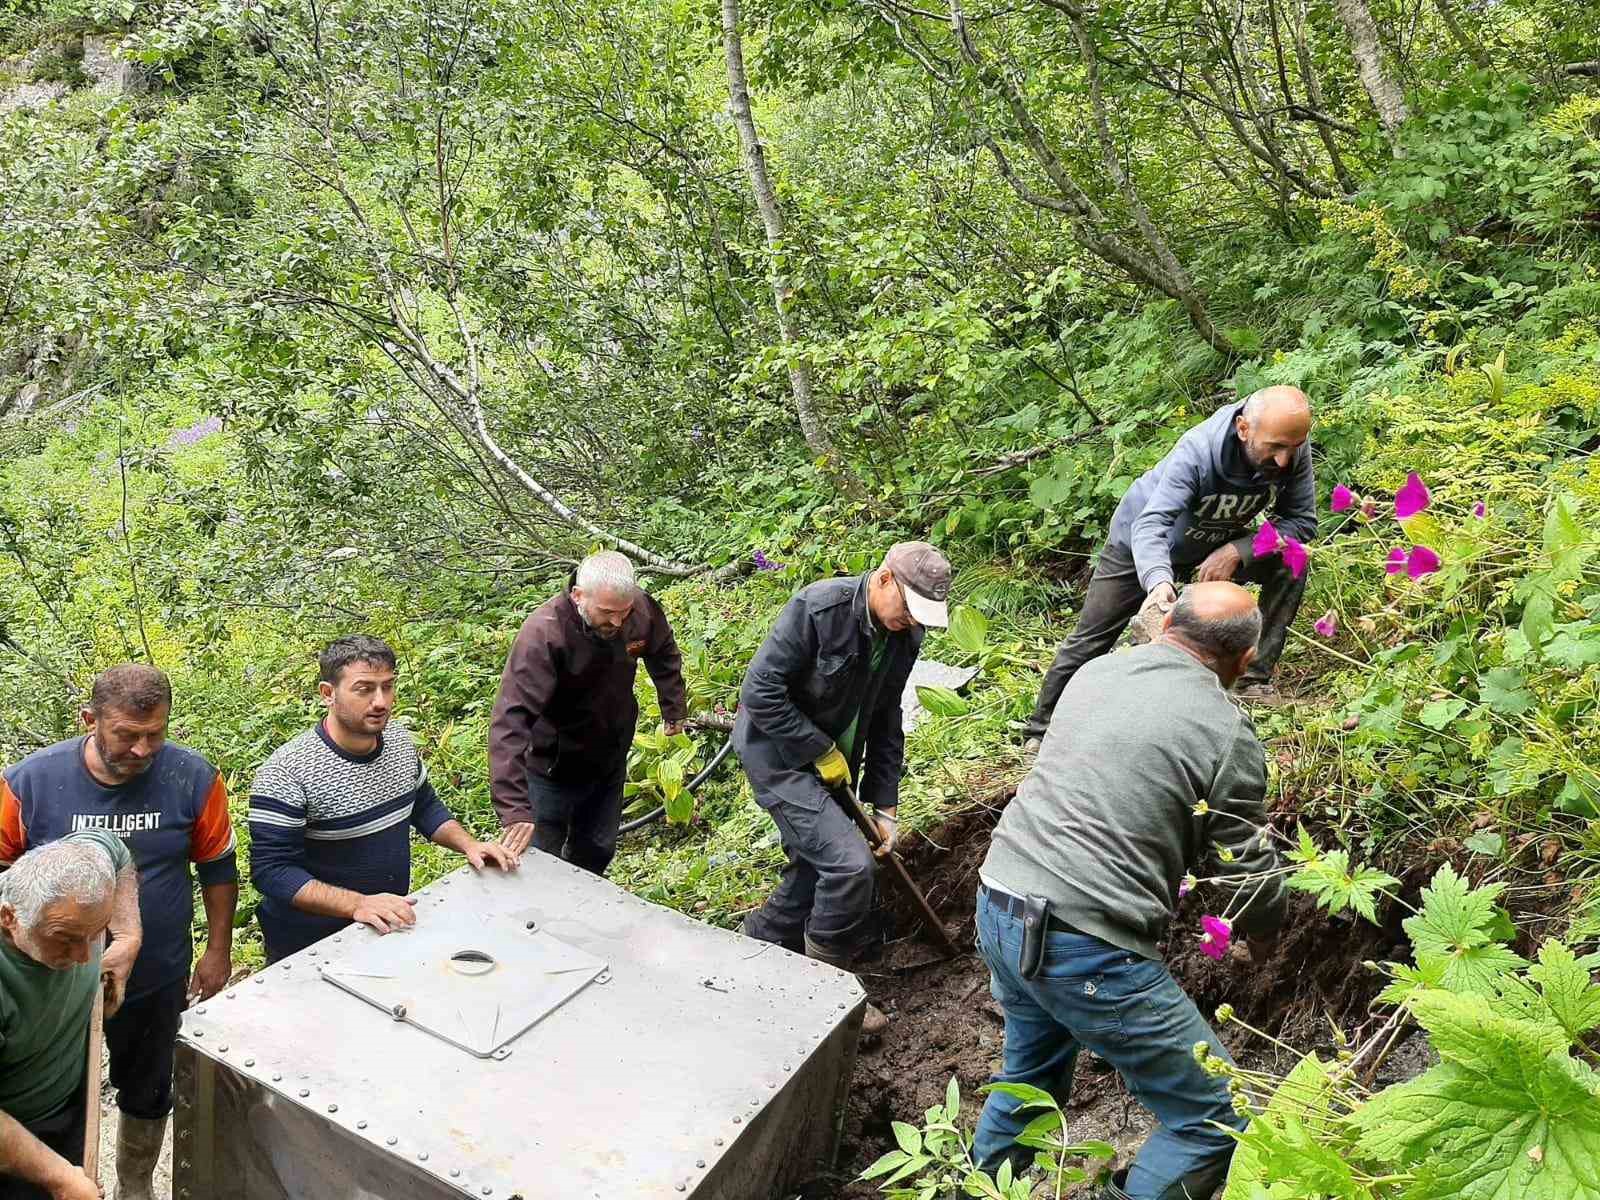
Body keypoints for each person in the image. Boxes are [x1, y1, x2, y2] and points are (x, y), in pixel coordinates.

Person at [973, 582, 1286, 1200]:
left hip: (999, 899)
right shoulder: (1227, 735)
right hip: (1084, 940)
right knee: (1215, 1117)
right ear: (1245, 660)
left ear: (1167, 620)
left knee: (1030, 1083)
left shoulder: (1095, 673)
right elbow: (1245, 870)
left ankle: (975, 1191)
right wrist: (1267, 939)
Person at [0, 664, 237, 1200]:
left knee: (149, 1086)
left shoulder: (193, 777)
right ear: (90, 720)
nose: (142, 749)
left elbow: (218, 867)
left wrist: (216, 951)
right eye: (126, 735)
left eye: (155, 734)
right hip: (50, 985)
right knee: (51, 1087)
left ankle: (135, 1185)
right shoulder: (29, 782)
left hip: (156, 969)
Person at [734, 541, 952, 1032]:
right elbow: (759, 692)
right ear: (882, 581)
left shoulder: (903, 637)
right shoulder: (819, 609)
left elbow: (886, 719)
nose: (913, 622)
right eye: (909, 608)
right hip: (778, 754)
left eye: (922, 616)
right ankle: (824, 993)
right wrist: (817, 748)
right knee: (850, 865)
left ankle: (756, 945)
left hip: (833, 759)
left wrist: (886, 807)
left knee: (816, 866)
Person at [1024, 386, 1314, 747]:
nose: (1285, 460)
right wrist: (1158, 582)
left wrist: (1239, 550)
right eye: (1275, 447)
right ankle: (1041, 731)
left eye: (1294, 447)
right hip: (1142, 544)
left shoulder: (1291, 446)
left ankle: (1252, 680)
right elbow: (1151, 524)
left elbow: (1301, 522)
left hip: (1214, 543)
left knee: (1292, 560)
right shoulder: (1198, 452)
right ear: (1243, 429)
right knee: (1093, 637)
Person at [248, 635, 518, 962]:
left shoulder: (398, 740)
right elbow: (273, 871)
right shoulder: (287, 772)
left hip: (385, 923)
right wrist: (358, 903)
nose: (381, 701)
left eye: (387, 687)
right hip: (308, 943)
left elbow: (423, 805)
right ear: (327, 694)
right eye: (364, 689)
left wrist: (469, 845)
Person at [489, 551, 689, 874]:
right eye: (607, 613)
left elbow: (663, 650)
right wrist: (514, 808)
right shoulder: (544, 634)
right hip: (551, 767)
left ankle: (583, 915)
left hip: (608, 758)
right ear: (578, 595)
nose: (617, 622)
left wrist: (673, 705)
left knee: (597, 850)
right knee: (540, 862)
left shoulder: (638, 610)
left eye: (624, 613)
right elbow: (510, 722)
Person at [0, 832, 140, 1200]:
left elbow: (113, 848)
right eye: (66, 939)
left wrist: (126, 938)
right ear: (8, 917)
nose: (83, 958)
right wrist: (62, 1179)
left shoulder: (80, 875)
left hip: (68, 1107)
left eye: (94, 935)